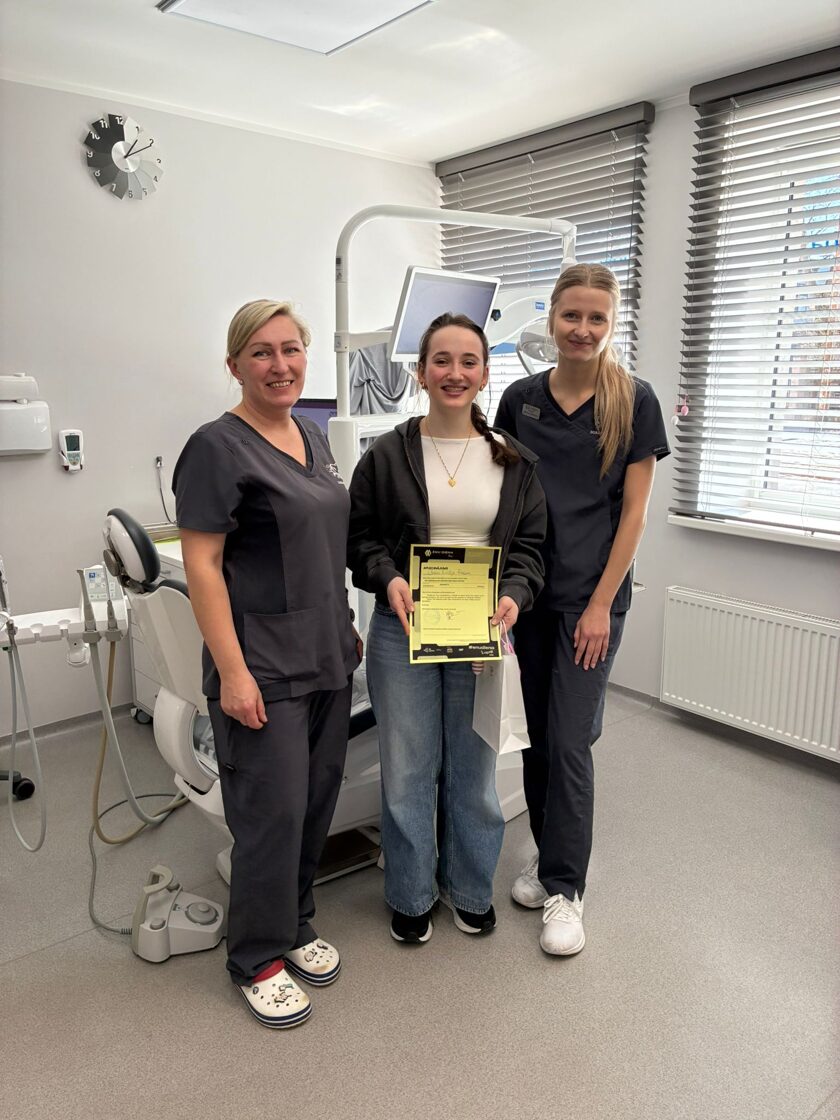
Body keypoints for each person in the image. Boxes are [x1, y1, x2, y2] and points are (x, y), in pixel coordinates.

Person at [172, 299, 361, 1028]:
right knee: (270, 812)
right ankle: (255, 956)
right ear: (235, 365)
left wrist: (346, 628)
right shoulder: (215, 448)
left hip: (326, 654)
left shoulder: (310, 434)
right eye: (261, 352)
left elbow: (323, 547)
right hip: (261, 666)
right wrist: (234, 671)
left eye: (291, 349)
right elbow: (203, 566)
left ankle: (296, 921)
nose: (280, 365)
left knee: (315, 803)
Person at [348, 312, 546, 944]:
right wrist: (388, 578)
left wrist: (514, 595)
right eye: (441, 360)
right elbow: (360, 538)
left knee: (473, 768)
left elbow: (530, 550)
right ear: (420, 372)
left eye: (468, 361)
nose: (454, 373)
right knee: (407, 769)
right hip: (402, 627)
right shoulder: (386, 454)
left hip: (478, 631)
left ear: (485, 374)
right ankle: (410, 894)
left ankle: (468, 888)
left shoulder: (513, 460)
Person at [494, 263, 670, 956]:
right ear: (552, 317)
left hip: (590, 602)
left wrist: (599, 604)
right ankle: (548, 858)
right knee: (538, 735)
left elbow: (635, 514)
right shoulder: (520, 400)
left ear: (612, 323)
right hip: (528, 595)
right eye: (572, 315)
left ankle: (567, 890)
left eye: (598, 318)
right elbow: (501, 496)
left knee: (569, 741)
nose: (583, 329)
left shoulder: (634, 401)